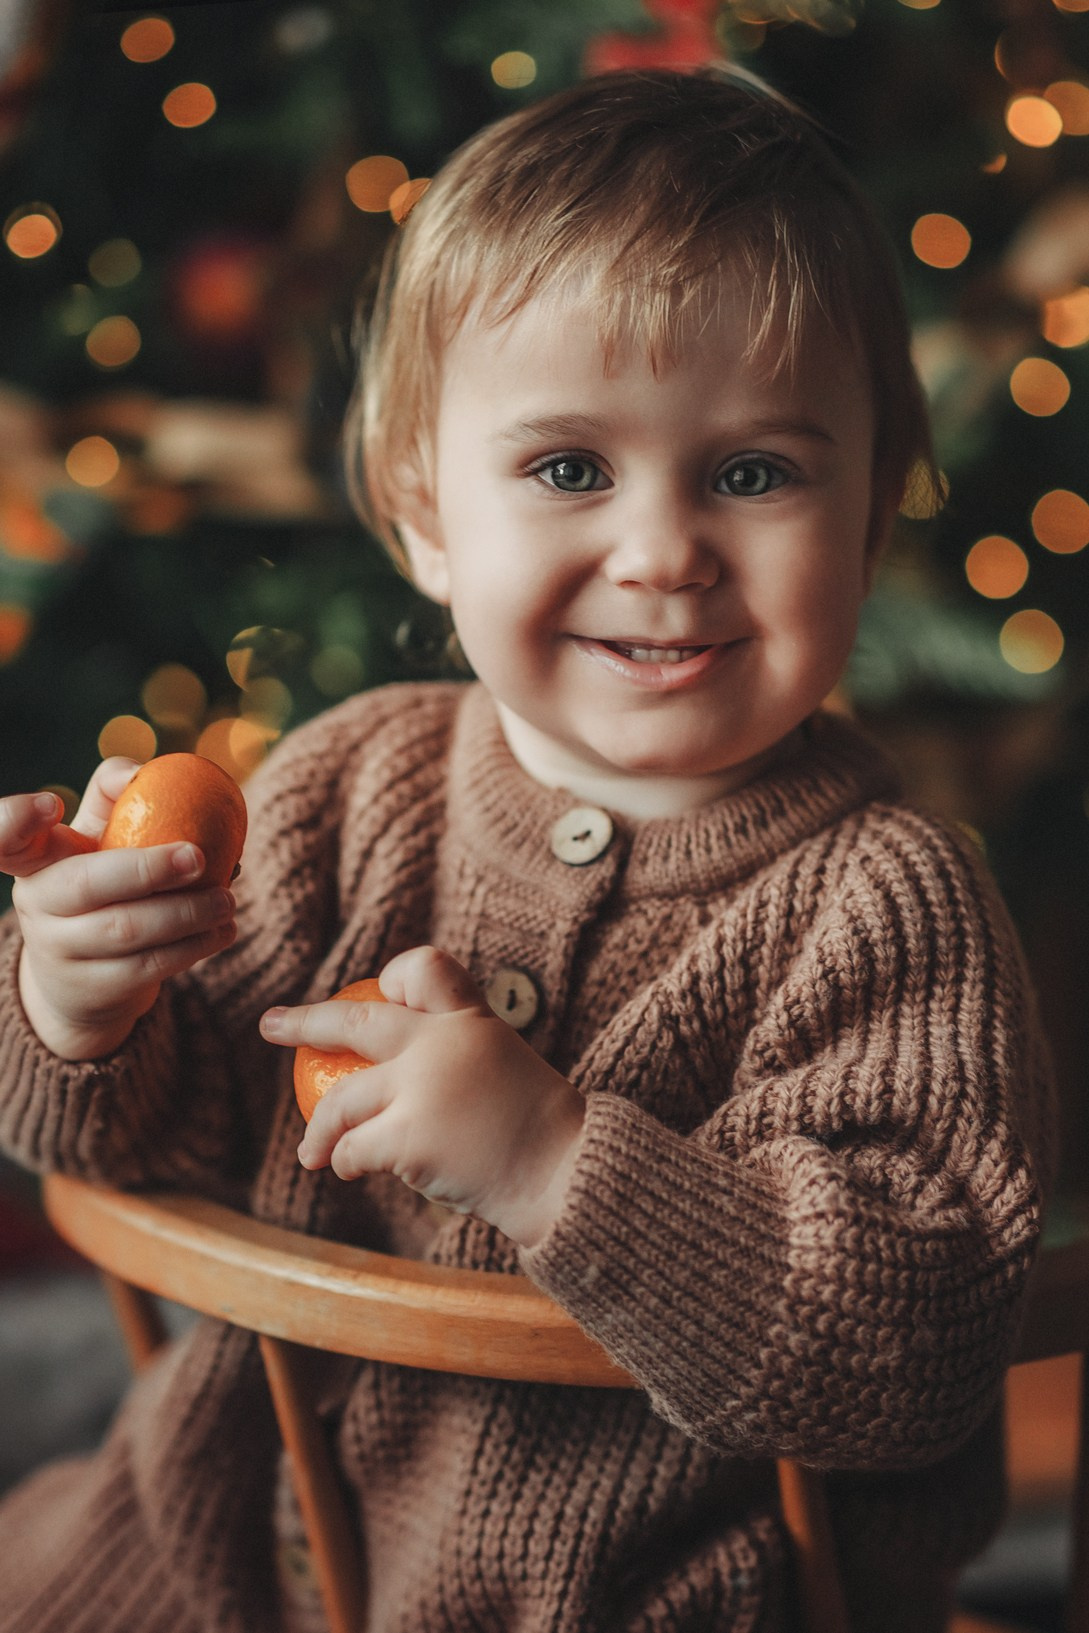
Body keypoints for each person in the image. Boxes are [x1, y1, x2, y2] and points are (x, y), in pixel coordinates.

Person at [0, 66, 1056, 1633]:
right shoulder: (345, 786)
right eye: (570, 469)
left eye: (753, 473)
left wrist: (557, 1162)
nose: (662, 551)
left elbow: (914, 1349)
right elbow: (143, 1143)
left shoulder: (887, 904)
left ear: (869, 515)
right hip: (207, 1540)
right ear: (425, 516)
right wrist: (80, 1004)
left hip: (639, 1602)